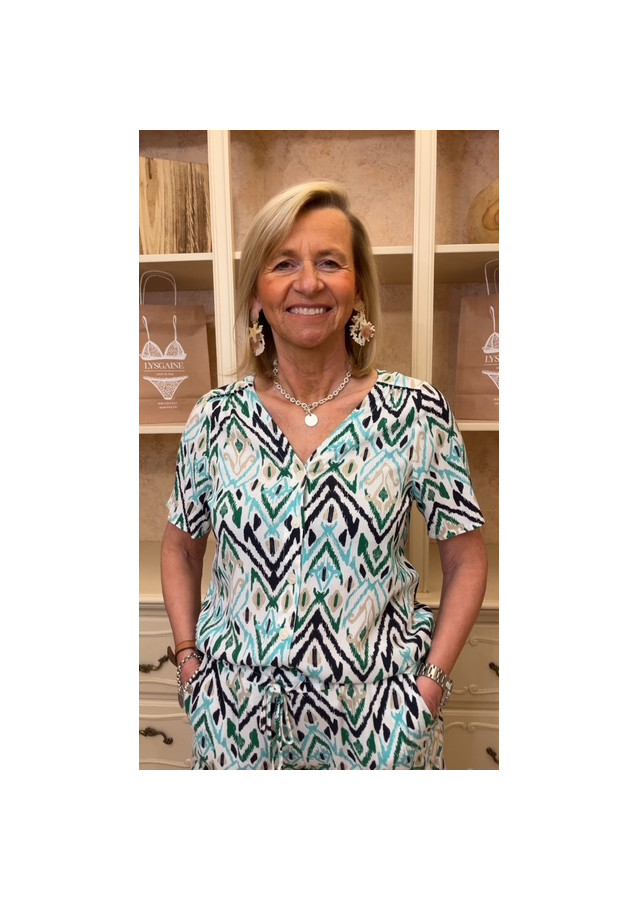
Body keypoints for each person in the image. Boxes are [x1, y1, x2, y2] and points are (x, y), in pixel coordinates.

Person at [161, 180, 488, 769]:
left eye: (330, 262)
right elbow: (181, 549)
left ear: (356, 289)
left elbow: (466, 560)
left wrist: (430, 688)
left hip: (381, 727)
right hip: (238, 724)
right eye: (284, 263)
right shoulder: (214, 418)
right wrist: (189, 664)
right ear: (256, 295)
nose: (308, 282)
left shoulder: (416, 411)